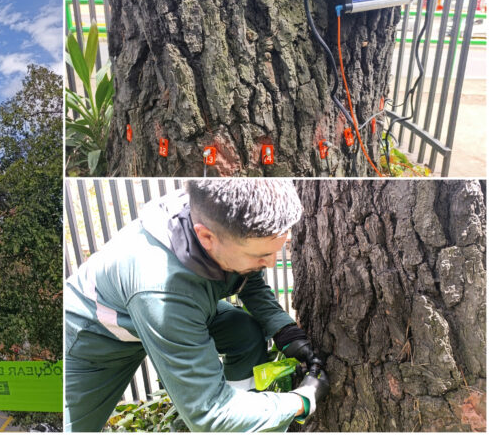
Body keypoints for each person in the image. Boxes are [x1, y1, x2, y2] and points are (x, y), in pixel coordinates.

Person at [64, 180, 329, 432]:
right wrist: (301, 401)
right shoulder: (162, 290)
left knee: (242, 332)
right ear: (206, 237)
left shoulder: (221, 214)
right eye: (260, 255)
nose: (272, 263)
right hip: (94, 339)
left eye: (275, 251)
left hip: (160, 311)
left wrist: (284, 330)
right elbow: (208, 414)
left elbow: (246, 278)